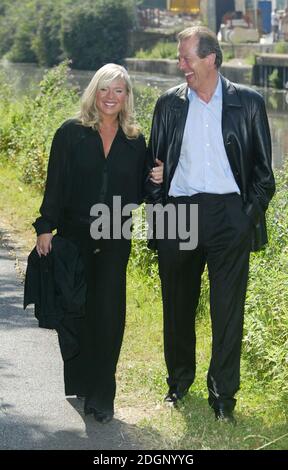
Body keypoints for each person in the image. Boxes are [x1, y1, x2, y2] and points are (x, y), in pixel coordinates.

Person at [146, 26, 275, 423]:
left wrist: (245, 218)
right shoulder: (169, 104)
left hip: (228, 217)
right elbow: (151, 168)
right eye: (179, 58)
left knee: (227, 311)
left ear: (211, 59)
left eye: (187, 58)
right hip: (178, 214)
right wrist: (159, 207)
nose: (180, 65)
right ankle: (179, 382)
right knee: (177, 308)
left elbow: (263, 175)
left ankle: (222, 396)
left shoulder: (248, 103)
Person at [34, 63, 163, 423]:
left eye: (118, 91)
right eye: (105, 89)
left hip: (114, 236)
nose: (111, 97)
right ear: (94, 92)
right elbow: (55, 184)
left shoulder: (136, 140)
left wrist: (158, 178)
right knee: (74, 313)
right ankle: (80, 380)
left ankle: (102, 395)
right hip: (73, 235)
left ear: (127, 97)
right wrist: (46, 227)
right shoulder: (70, 133)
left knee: (108, 313)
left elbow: (144, 192)